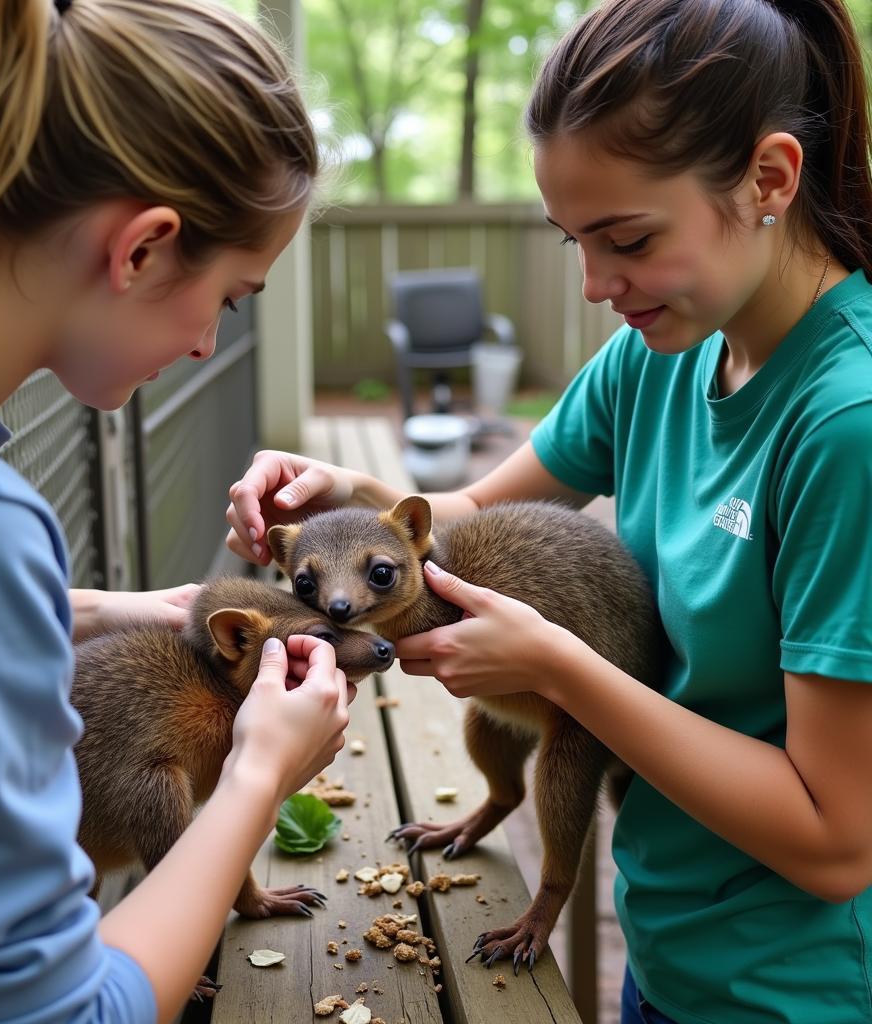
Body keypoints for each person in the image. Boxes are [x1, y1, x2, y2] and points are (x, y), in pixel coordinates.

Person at [226, 1, 872, 1021]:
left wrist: (557, 665)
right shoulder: (658, 350)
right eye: (572, 239)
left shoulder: (848, 426)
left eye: (625, 238)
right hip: (667, 947)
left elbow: (836, 840)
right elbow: (472, 509)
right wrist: (335, 493)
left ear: (770, 179)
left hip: (797, 988)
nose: (591, 285)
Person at [0, 0, 353, 1021]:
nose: (211, 343)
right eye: (232, 296)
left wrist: (90, 609)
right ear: (143, 250)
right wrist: (259, 771)